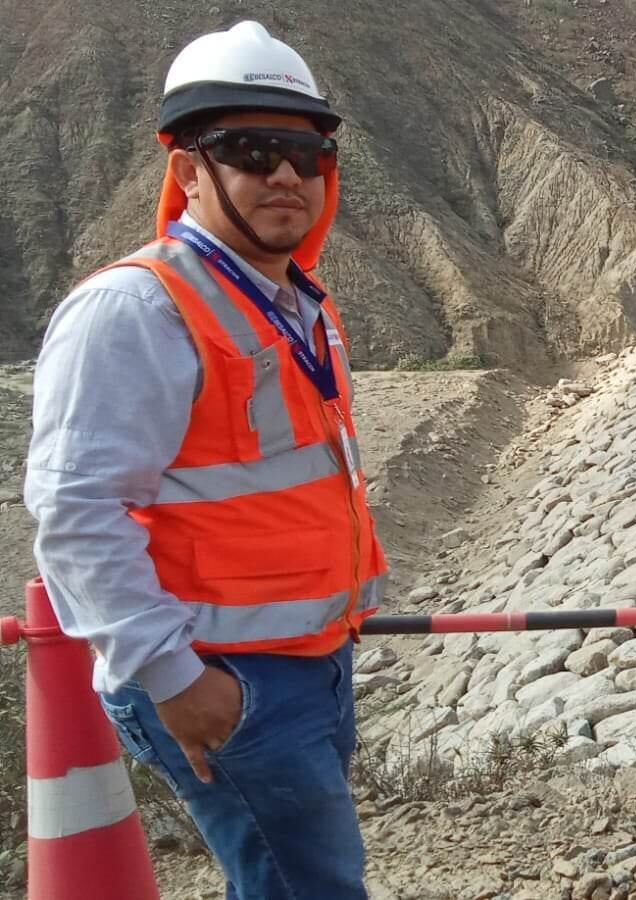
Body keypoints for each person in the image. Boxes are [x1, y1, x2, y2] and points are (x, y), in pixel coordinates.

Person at [24, 21, 385, 899]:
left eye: (304, 152)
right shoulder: (134, 310)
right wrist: (176, 678)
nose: (287, 175)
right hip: (228, 677)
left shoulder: (291, 303)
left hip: (302, 663)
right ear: (187, 168)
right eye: (252, 150)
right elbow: (75, 513)